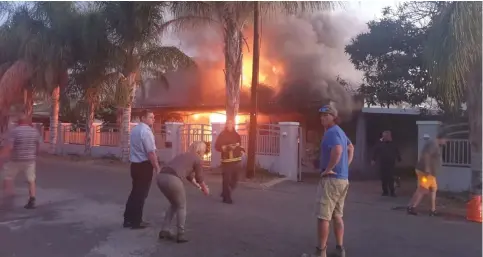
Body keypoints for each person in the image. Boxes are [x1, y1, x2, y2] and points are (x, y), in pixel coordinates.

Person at [314, 104, 354, 257]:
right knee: (337, 215)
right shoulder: (341, 132)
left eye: (327, 115)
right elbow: (351, 148)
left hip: (331, 180)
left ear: (334, 117)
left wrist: (329, 168)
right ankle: (339, 249)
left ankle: (320, 252)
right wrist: (345, 165)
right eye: (322, 116)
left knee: (323, 216)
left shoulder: (332, 132)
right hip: (342, 180)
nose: (323, 118)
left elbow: (338, 150)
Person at [157, 141, 210, 243]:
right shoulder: (197, 158)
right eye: (204, 150)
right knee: (181, 206)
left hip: (161, 177)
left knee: (174, 204)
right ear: (201, 150)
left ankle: (164, 230)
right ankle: (180, 234)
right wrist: (205, 189)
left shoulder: (183, 155)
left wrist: (199, 187)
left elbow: (190, 177)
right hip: (173, 179)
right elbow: (199, 177)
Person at [123, 110, 160, 229]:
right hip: (144, 166)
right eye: (150, 117)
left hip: (135, 165)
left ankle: (128, 219)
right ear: (143, 118)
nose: (153, 120)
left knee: (134, 193)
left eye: (153, 118)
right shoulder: (146, 131)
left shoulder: (135, 130)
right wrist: (157, 168)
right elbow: (151, 153)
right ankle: (136, 221)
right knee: (141, 195)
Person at [0, 114, 41, 209]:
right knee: (31, 180)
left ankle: (10, 194)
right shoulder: (35, 132)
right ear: (27, 122)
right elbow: (38, 145)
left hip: (16, 160)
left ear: (19, 122)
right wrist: (36, 154)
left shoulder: (15, 131)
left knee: (7, 176)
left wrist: (1, 156)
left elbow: (10, 147)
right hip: (30, 160)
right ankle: (32, 199)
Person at [407, 132, 447, 216]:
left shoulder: (434, 144)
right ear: (442, 138)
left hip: (431, 174)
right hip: (427, 173)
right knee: (422, 190)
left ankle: (432, 210)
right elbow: (426, 155)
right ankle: (411, 207)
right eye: (445, 140)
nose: (446, 142)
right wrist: (427, 168)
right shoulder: (433, 144)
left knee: (433, 189)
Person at [214, 119, 244, 204]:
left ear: (233, 124)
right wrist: (226, 148)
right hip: (226, 161)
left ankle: (224, 192)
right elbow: (217, 146)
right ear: (226, 125)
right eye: (228, 123)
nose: (230, 125)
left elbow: (239, 144)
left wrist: (240, 149)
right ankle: (227, 198)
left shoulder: (237, 135)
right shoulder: (222, 135)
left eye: (231, 123)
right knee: (226, 179)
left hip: (236, 160)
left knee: (235, 179)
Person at [371, 130, 401, 197]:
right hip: (383, 163)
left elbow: (397, 151)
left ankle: (392, 191)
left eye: (387, 136)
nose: (385, 137)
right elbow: (375, 151)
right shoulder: (380, 144)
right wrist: (373, 159)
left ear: (390, 136)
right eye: (384, 136)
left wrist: (399, 159)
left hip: (391, 163)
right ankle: (385, 191)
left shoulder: (393, 144)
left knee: (391, 177)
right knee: (383, 178)